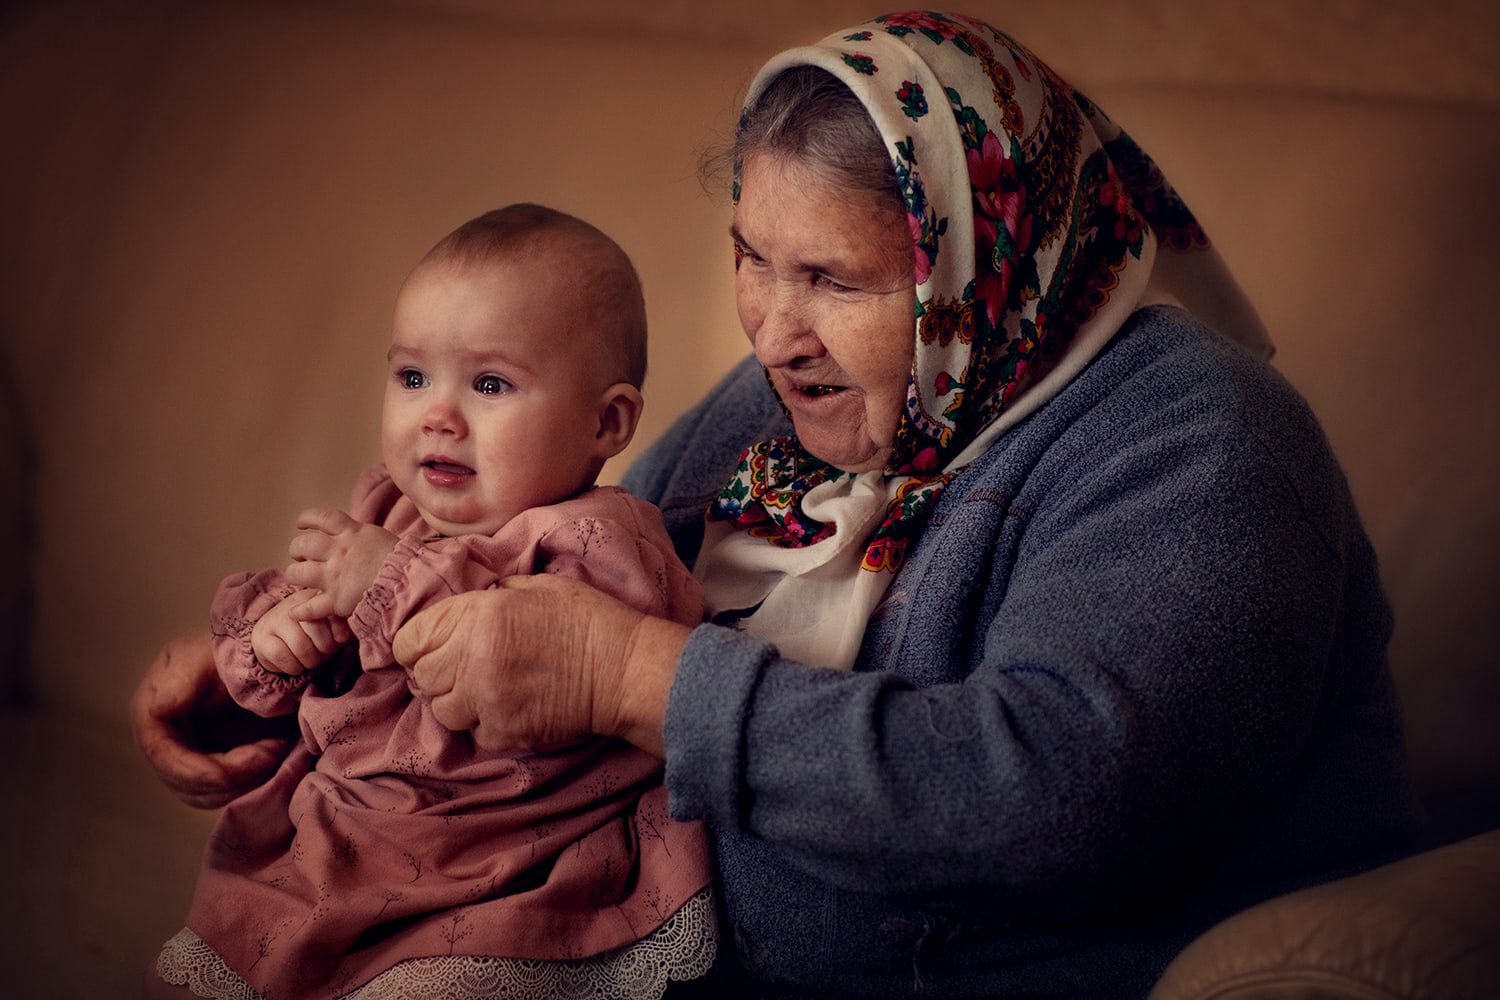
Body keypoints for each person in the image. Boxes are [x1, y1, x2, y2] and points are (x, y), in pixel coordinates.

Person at [135, 13, 1424, 997]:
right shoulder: (794, 401)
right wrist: (281, 661)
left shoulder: (1202, 446)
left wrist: (633, 675)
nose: (773, 330)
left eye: (835, 280)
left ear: (982, 265)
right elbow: (529, 584)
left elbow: (1059, 796)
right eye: (751, 257)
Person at [146, 204, 715, 1000]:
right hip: (342, 838)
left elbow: (527, 653)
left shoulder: (602, 542)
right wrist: (278, 642)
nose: (438, 416)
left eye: (490, 383)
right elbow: (296, 645)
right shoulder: (385, 512)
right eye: (412, 377)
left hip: (501, 871)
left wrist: (389, 580)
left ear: (606, 421)